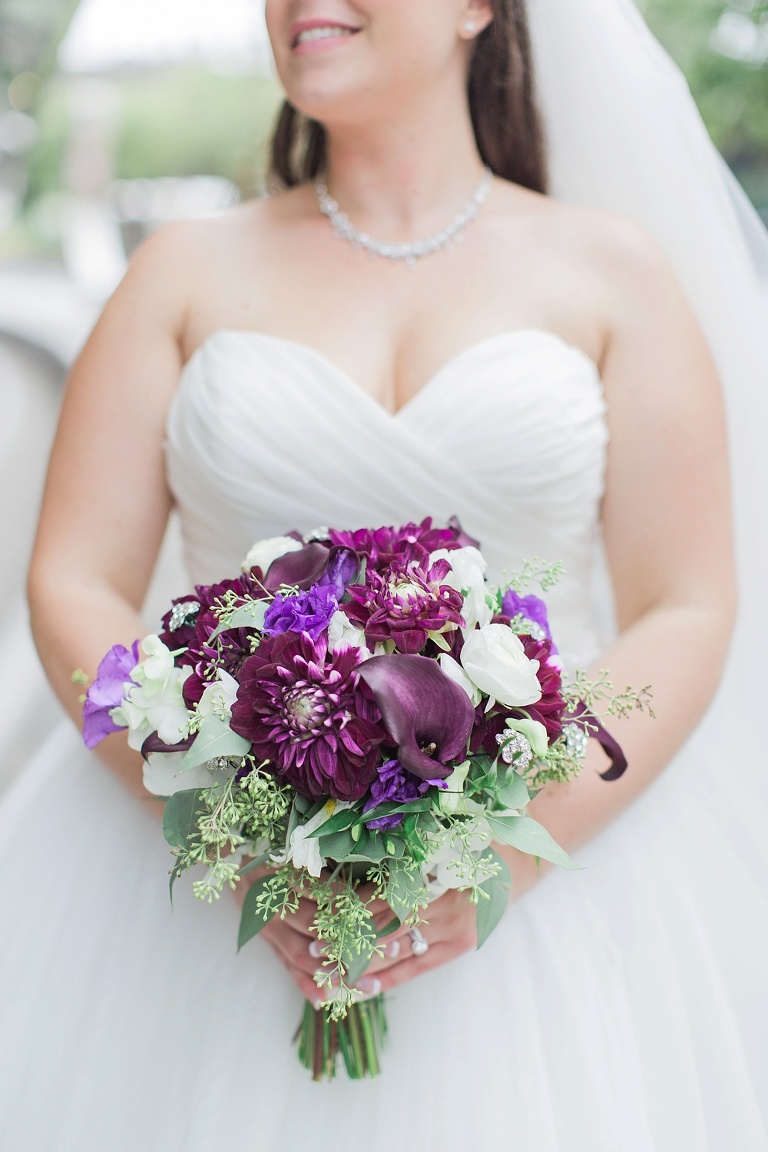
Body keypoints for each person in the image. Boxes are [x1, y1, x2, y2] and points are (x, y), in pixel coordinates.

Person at [1, 0, 766, 1148]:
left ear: (478, 9)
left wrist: (502, 853)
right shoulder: (179, 272)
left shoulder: (612, 271)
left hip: (563, 889)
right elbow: (71, 577)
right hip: (194, 897)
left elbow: (686, 603)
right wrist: (231, 836)